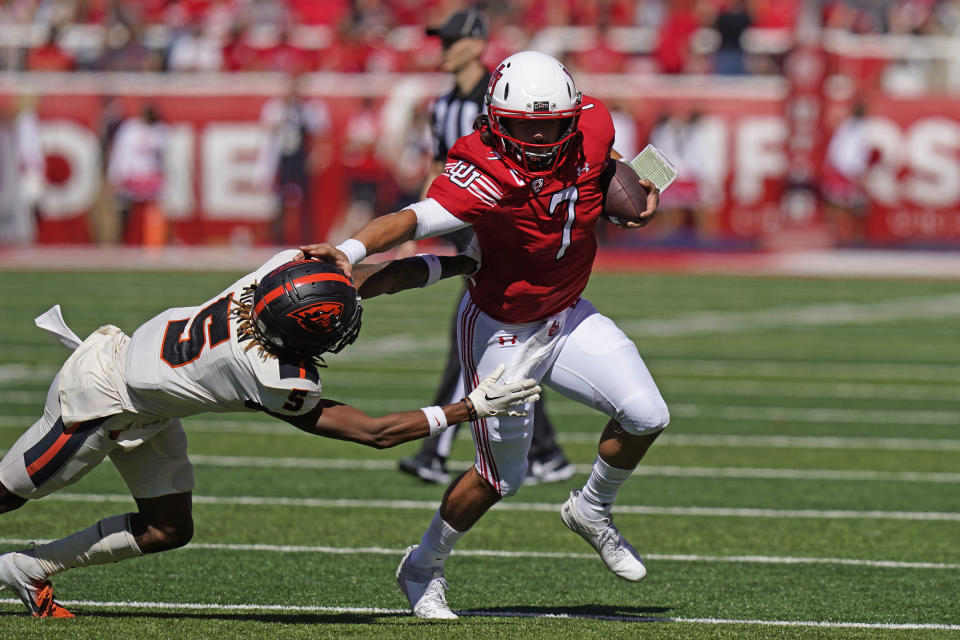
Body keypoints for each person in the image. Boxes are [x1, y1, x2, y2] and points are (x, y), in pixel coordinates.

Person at [303, 50, 667, 619]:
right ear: (496, 120)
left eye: (551, 126)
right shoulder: (482, 166)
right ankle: (422, 566)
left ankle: (592, 508)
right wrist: (349, 252)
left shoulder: (593, 122)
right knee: (501, 478)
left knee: (648, 413)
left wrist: (641, 189)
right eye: (525, 126)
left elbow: (608, 161)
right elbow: (413, 219)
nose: (540, 138)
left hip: (567, 313)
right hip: (501, 327)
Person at [0, 249, 540, 618]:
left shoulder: (278, 275)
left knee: (168, 528)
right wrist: (466, 408)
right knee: (7, 493)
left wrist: (462, 262)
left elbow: (355, 279)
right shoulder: (272, 375)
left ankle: (28, 568)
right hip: (100, 401)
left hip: (152, 403)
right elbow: (374, 433)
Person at [398, 8, 573, 487]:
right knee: (505, 347)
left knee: (474, 343)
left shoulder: (504, 99)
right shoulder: (440, 106)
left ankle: (435, 451)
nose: (444, 47)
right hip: (466, 236)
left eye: (453, 40)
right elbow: (442, 171)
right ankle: (547, 452)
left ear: (478, 43)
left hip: (506, 238)